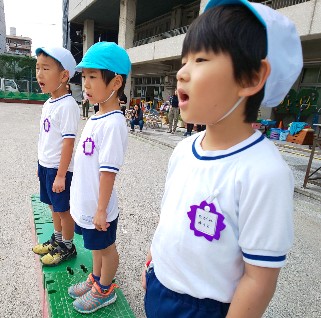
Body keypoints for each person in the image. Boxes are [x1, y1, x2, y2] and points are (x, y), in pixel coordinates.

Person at [142, 1, 303, 317]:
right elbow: (170, 219)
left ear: (251, 78)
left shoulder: (264, 172)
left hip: (205, 308)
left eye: (200, 59)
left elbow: (259, 277)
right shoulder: (184, 149)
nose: (182, 72)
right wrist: (153, 264)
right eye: (183, 60)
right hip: (160, 287)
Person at [67, 42, 131, 314]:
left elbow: (108, 171)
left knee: (106, 248)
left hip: (99, 208)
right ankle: (96, 278)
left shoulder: (114, 122)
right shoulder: (96, 117)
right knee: (94, 247)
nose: (86, 83)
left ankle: (105, 289)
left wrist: (101, 209)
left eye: (93, 77)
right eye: (84, 76)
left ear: (115, 82)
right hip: (88, 203)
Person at [32, 47, 79, 266]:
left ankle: (68, 246)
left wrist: (61, 175)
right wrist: (40, 163)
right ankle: (58, 240)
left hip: (59, 170)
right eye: (37, 68)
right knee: (53, 207)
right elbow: (45, 137)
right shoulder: (48, 103)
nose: (39, 74)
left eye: (45, 68)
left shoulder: (68, 105)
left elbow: (68, 142)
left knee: (64, 210)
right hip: (46, 166)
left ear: (63, 76)